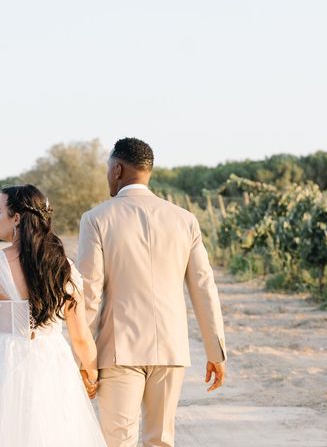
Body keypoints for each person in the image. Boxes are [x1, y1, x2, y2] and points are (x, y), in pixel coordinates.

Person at [77, 137, 227, 447]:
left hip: (119, 349)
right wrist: (216, 351)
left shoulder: (96, 219)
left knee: (117, 441)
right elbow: (203, 287)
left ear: (117, 169)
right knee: (160, 440)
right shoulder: (185, 220)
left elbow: (89, 293)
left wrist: (84, 358)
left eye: (108, 169)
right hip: (171, 348)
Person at [0, 184, 106, 446]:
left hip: (3, 363)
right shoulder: (65, 268)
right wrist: (91, 372)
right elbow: (81, 336)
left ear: (16, 218)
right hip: (53, 362)